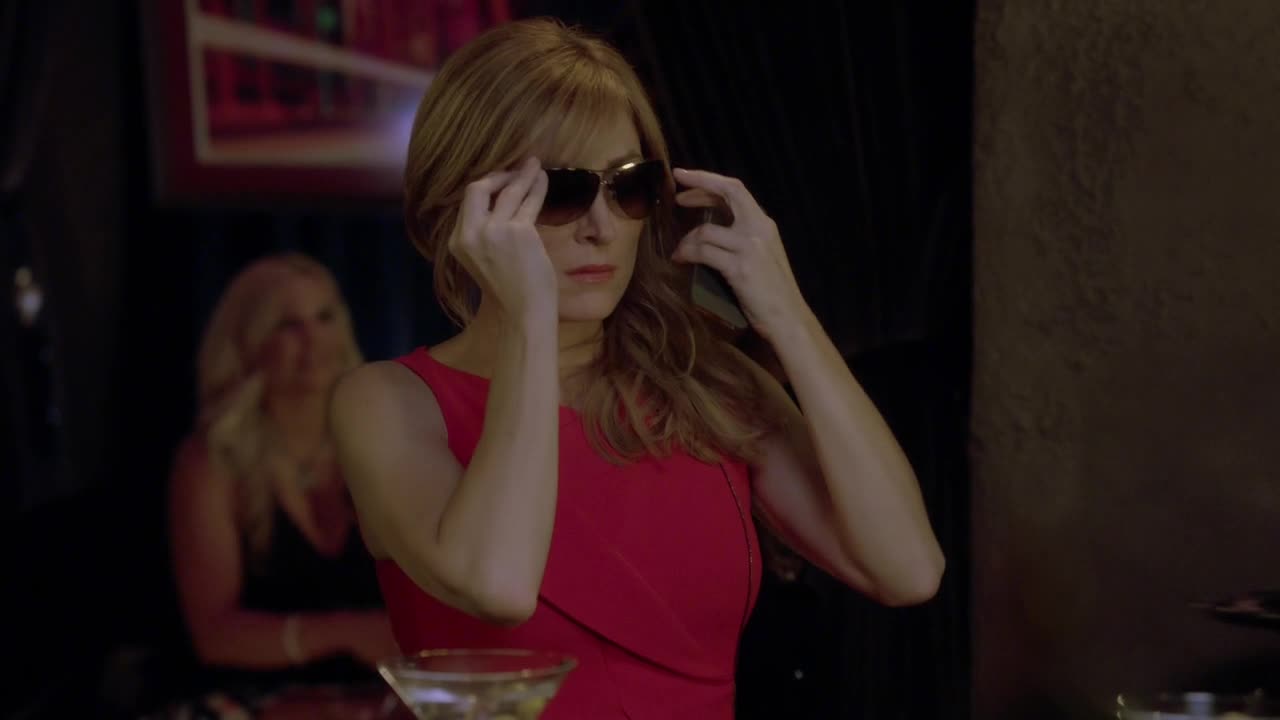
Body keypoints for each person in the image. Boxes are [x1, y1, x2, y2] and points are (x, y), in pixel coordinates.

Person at [330, 18, 945, 719]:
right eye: (561, 191)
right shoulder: (387, 401)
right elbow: (497, 584)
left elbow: (909, 569)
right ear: (464, 205)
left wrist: (790, 318)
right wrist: (529, 317)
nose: (601, 226)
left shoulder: (706, 384)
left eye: (628, 186)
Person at [167, 252, 398, 704]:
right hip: (255, 698)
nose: (314, 339)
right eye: (288, 325)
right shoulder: (212, 461)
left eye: (325, 317)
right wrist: (350, 633)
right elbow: (215, 636)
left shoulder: (378, 440)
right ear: (248, 343)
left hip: (380, 696)